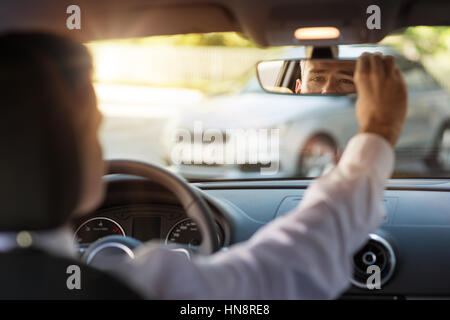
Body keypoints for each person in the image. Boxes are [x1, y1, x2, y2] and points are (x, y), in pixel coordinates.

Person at [0, 33, 407, 299]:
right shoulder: (141, 289)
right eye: (93, 127)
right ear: (60, 150)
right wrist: (379, 130)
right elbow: (288, 266)